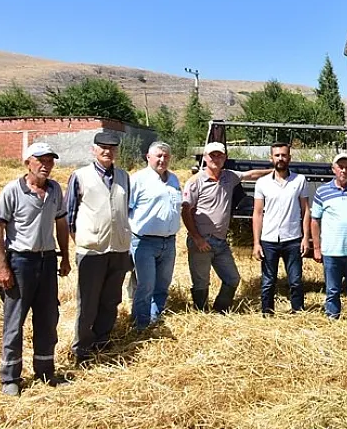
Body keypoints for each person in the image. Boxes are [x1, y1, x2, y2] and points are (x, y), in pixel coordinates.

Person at [0, 142, 71, 396]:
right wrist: (2, 267)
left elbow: (61, 224)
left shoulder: (55, 190)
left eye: (50, 161)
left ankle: (45, 370)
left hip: (47, 261)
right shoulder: (13, 191)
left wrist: (65, 255)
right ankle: (10, 377)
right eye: (41, 161)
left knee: (48, 318)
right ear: (28, 163)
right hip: (20, 262)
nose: (46, 166)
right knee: (15, 321)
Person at [66, 132, 134, 364]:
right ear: (93, 150)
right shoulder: (80, 176)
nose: (108, 151)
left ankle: (102, 343)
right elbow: (70, 217)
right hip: (92, 251)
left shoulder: (124, 177)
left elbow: (126, 211)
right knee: (88, 302)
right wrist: (84, 240)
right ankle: (82, 350)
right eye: (103, 147)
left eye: (112, 148)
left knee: (111, 299)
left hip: (118, 248)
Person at [181, 142, 271, 313]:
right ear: (205, 158)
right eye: (212, 155)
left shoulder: (229, 176)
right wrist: (197, 238)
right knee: (201, 282)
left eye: (220, 155)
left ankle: (219, 310)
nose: (216, 159)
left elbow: (250, 175)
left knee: (232, 279)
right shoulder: (195, 181)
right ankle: (201, 314)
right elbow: (186, 211)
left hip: (221, 241)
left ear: (225, 158)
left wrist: (274, 172)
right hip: (202, 241)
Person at [127, 141, 182, 331]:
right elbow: (126, 210)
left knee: (162, 286)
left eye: (166, 156)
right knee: (145, 286)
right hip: (144, 242)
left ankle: (155, 320)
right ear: (148, 157)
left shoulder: (174, 180)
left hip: (169, 241)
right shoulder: (137, 180)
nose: (162, 160)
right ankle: (140, 325)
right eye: (158, 156)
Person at [252, 142, 310, 315]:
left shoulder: (299, 180)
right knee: (268, 280)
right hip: (269, 240)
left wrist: (305, 237)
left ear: (289, 158)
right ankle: (267, 312)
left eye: (284, 155)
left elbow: (305, 210)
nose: (280, 158)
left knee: (295, 280)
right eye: (277, 155)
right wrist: (256, 242)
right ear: (271, 158)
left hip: (292, 238)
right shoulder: (262, 183)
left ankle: (297, 311)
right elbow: (257, 213)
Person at [311, 152, 347, 324]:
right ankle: (332, 321)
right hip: (331, 251)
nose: (344, 170)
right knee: (332, 290)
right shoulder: (322, 192)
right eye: (340, 167)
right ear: (333, 169)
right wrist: (316, 247)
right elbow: (315, 221)